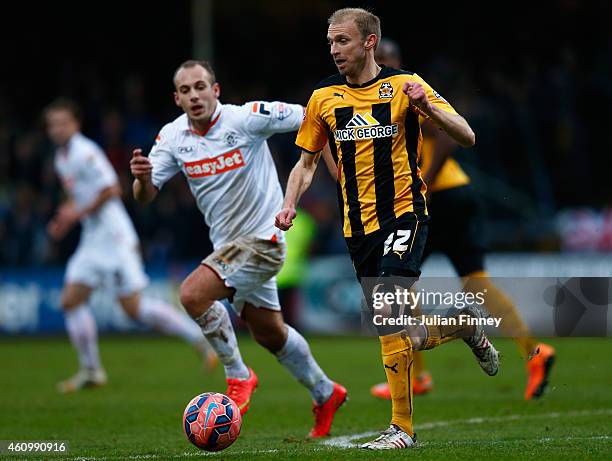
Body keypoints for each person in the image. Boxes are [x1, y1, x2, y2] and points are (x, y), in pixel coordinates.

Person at [275, 8, 500, 450]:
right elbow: (305, 164)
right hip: (357, 228)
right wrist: (288, 205)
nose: (335, 50)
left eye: (342, 41)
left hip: (405, 215)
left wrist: (427, 107)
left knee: (388, 314)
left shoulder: (404, 86)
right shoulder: (324, 98)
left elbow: (467, 135)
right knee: (409, 333)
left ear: (369, 41)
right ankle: (464, 327)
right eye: (330, 42)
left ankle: (402, 430)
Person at [129, 60, 346, 437]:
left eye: (201, 86)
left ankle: (237, 376)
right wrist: (143, 180)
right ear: (176, 98)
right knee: (269, 333)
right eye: (186, 90)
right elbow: (146, 197)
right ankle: (326, 392)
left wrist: (327, 162)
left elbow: (315, 115)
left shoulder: (246, 119)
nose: (194, 95)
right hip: (228, 249)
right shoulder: (172, 137)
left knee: (193, 295)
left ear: (216, 90)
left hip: (264, 240)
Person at [370, 38, 556, 401]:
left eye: (383, 58)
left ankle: (417, 376)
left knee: (396, 283)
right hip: (450, 194)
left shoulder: (403, 89)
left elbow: (444, 137)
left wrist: (422, 181)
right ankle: (534, 353)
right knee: (469, 283)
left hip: (440, 198)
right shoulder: (378, 97)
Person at [45, 99, 216, 394]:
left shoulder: (86, 152)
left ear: (76, 123)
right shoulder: (62, 158)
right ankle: (91, 370)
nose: (57, 129)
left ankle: (199, 338)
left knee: (134, 309)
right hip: (93, 239)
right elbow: (81, 196)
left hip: (114, 238)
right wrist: (67, 216)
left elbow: (113, 188)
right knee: (70, 300)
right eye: (52, 124)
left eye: (62, 122)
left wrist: (77, 213)